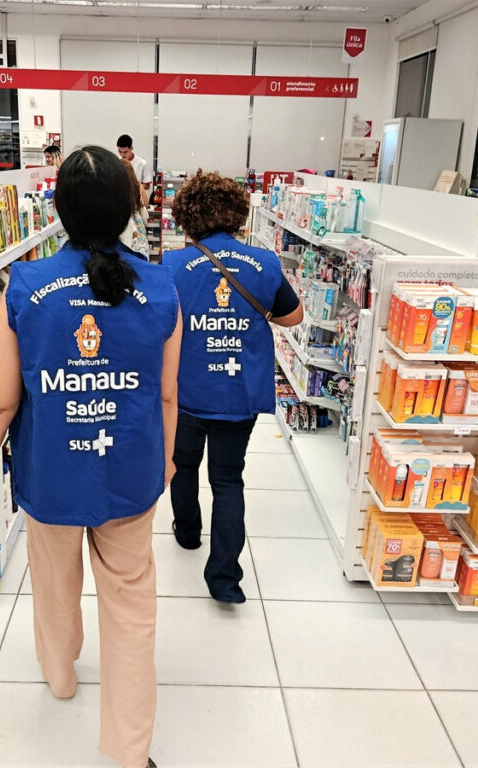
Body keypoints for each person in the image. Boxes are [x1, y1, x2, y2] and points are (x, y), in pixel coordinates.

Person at [0, 145, 181, 768]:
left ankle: (60, 675)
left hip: (51, 472)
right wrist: (165, 463)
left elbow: (0, 403)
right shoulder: (162, 288)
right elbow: (166, 394)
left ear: (58, 210)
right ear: (130, 209)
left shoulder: (25, 287)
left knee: (54, 585)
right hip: (129, 472)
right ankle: (131, 749)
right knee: (131, 607)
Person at [163, 171, 303, 603]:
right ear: (239, 215)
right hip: (238, 391)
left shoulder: (171, 267)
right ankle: (224, 580)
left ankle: (188, 533)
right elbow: (293, 317)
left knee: (183, 465)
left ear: (187, 218)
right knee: (228, 479)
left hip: (187, 390)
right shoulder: (264, 263)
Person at [121, 160, 150, 258]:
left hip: (125, 228)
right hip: (138, 227)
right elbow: (146, 204)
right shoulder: (137, 185)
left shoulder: (118, 186)